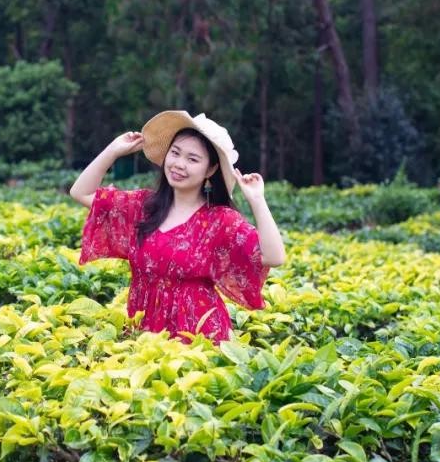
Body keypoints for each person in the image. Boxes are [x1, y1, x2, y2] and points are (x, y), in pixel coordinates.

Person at [69, 110, 285, 342]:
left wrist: (257, 200)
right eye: (175, 153)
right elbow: (81, 192)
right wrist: (113, 151)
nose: (179, 164)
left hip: (199, 338)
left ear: (210, 170)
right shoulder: (143, 207)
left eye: (192, 159)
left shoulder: (219, 221)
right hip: (143, 332)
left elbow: (274, 256)